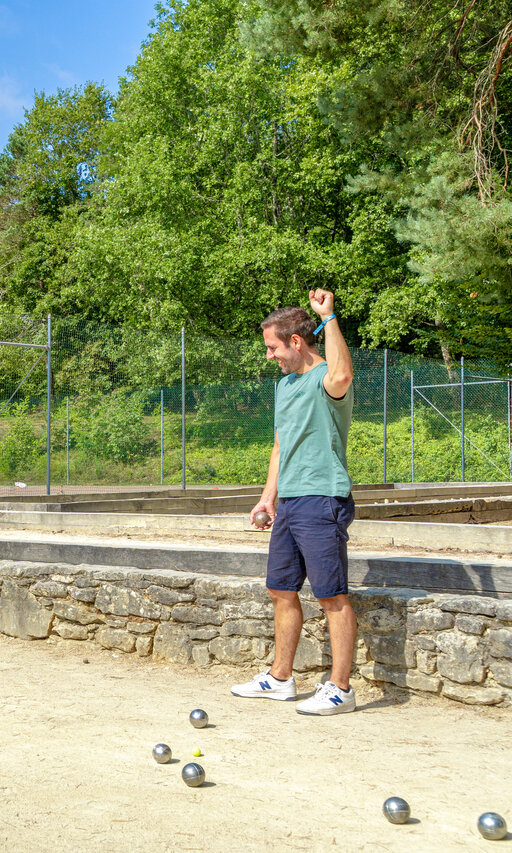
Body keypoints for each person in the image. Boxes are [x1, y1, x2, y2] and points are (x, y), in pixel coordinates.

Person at [233, 289, 356, 715]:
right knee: (281, 589)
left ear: (297, 342)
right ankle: (280, 678)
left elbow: (341, 377)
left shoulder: (326, 379)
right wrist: (267, 500)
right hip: (290, 503)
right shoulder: (285, 386)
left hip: (323, 497)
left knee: (331, 596)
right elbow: (280, 446)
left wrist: (329, 317)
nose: (269, 356)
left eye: (273, 347)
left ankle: (341, 688)